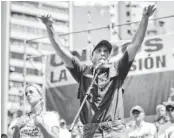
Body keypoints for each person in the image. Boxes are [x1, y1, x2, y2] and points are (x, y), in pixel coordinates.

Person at [41, 5, 156, 138]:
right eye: (99, 51)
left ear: (109, 57)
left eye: (106, 51)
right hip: (90, 132)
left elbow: (135, 44)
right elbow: (61, 51)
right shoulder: (83, 71)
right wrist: (49, 27)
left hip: (114, 130)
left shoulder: (117, 69)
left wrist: (145, 18)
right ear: (91, 57)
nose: (103, 53)